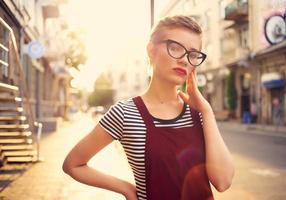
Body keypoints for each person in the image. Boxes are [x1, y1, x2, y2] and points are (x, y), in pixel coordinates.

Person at [62, 15, 234, 200]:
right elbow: (73, 164)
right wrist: (125, 188)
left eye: (193, 54)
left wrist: (207, 112)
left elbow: (222, 182)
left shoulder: (199, 113)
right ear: (151, 50)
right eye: (175, 48)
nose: (185, 60)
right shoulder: (124, 113)